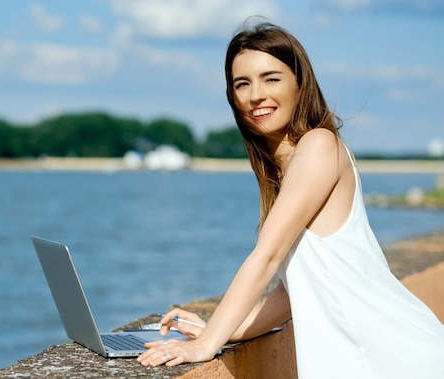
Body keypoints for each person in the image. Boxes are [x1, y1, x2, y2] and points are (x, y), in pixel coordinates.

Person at [137, 22, 444, 378]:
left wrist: (205, 346)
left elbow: (267, 256)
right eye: (242, 83)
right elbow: (288, 293)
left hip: (395, 358)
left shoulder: (318, 145)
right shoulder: (285, 173)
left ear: (300, 83)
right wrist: (216, 330)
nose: (255, 95)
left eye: (271, 78)